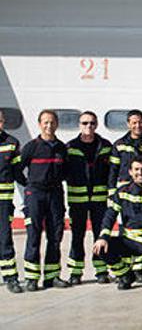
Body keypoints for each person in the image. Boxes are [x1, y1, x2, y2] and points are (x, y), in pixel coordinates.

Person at [93, 157, 142, 290]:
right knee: (100, 248)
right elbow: (110, 215)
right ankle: (126, 275)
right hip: (129, 240)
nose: (140, 173)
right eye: (136, 169)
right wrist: (103, 237)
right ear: (130, 172)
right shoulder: (123, 192)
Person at [18, 110, 69, 290]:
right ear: (39, 124)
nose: (49, 126)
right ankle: (32, 278)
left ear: (56, 124)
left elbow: (66, 172)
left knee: (55, 236)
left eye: (52, 122)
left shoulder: (62, 148)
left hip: (55, 195)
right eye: (45, 122)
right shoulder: (31, 147)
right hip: (35, 196)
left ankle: (52, 276)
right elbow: (17, 169)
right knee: (33, 235)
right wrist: (29, 185)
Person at [64, 111, 113, 285]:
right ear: (79, 125)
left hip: (99, 199)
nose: (88, 126)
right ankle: (76, 272)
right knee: (78, 235)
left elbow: (111, 173)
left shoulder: (106, 146)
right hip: (77, 200)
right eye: (85, 123)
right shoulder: (70, 147)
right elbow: (63, 171)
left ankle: (101, 271)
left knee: (100, 235)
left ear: (97, 124)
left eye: (92, 123)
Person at [108, 109, 142, 196]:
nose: (138, 126)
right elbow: (113, 170)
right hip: (125, 189)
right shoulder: (119, 144)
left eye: (141, 122)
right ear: (128, 124)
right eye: (134, 123)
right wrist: (111, 192)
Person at [0, 109, 22, 293]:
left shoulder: (12, 144)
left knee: (5, 240)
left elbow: (18, 173)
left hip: (3, 203)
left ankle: (11, 277)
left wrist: (32, 186)